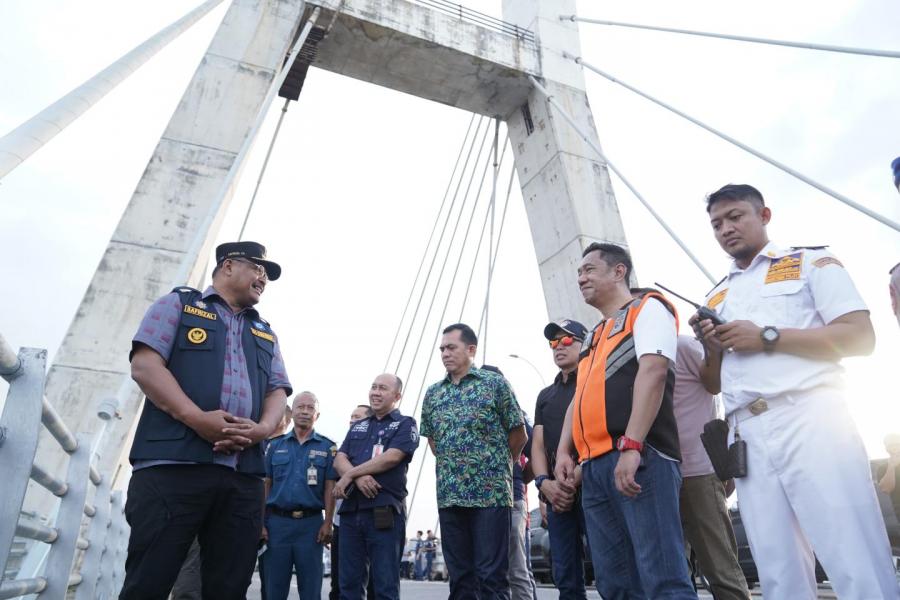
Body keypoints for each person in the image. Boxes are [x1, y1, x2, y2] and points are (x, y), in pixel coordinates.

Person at [692, 183, 898, 599]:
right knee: (777, 567)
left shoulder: (811, 263)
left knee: (851, 551)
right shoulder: (717, 294)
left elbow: (860, 338)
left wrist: (767, 336)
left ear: (764, 215)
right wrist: (712, 346)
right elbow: (712, 381)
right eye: (716, 224)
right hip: (746, 431)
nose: (726, 229)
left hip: (811, 415)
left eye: (735, 217)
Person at [122, 241, 291, 600]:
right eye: (258, 268)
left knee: (229, 587)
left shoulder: (265, 332)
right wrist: (197, 419)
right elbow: (145, 365)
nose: (264, 278)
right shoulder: (179, 305)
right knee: (149, 581)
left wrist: (261, 430)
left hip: (242, 476)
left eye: (267, 275)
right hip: (173, 468)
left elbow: (278, 390)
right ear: (228, 266)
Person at [555, 243, 697, 599]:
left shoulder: (648, 309)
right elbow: (580, 397)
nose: (581, 278)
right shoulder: (594, 334)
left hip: (639, 457)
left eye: (589, 270)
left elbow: (654, 371)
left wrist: (632, 444)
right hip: (594, 467)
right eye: (578, 273)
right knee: (615, 582)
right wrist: (564, 453)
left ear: (619, 272)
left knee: (662, 576)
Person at [420, 323, 527, 600]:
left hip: (490, 495)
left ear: (471, 349)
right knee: (460, 579)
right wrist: (457, 467)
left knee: (491, 577)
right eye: (442, 348)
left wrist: (496, 466)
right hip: (450, 496)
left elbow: (518, 433)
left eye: (451, 347)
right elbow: (433, 440)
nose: (445, 353)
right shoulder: (434, 393)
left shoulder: (495, 385)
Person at [671, 334, 749, 600]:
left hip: (698, 473)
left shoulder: (682, 346)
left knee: (721, 570)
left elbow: (719, 387)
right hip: (658, 476)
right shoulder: (636, 356)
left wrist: (725, 461)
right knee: (673, 574)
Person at [333, 374, 419, 600]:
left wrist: (351, 473)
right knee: (348, 585)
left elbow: (392, 457)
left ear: (397, 396)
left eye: (383, 388)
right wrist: (358, 478)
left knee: (384, 585)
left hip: (384, 513)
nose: (376, 392)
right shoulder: (358, 426)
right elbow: (339, 459)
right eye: (373, 387)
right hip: (351, 513)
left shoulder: (405, 424)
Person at [531, 319, 589, 600]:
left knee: (609, 566)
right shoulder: (546, 395)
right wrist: (544, 484)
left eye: (567, 341)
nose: (558, 347)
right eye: (554, 343)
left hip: (592, 484)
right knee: (565, 573)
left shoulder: (594, 383)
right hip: (556, 494)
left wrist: (574, 479)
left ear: (585, 343)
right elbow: (538, 445)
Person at [263, 391, 337, 600]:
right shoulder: (274, 446)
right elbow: (266, 485)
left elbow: (330, 487)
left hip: (311, 526)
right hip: (277, 525)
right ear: (292, 412)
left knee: (311, 589)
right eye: (300, 407)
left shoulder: (327, 447)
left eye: (310, 408)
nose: (305, 411)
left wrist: (328, 522)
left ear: (318, 414)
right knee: (274, 589)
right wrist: (261, 522)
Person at [331, 405, 376, 600]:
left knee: (372, 582)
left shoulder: (376, 448)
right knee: (340, 582)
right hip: (342, 523)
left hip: (372, 520)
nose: (352, 420)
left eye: (357, 417)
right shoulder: (340, 450)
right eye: (350, 416)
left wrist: (351, 474)